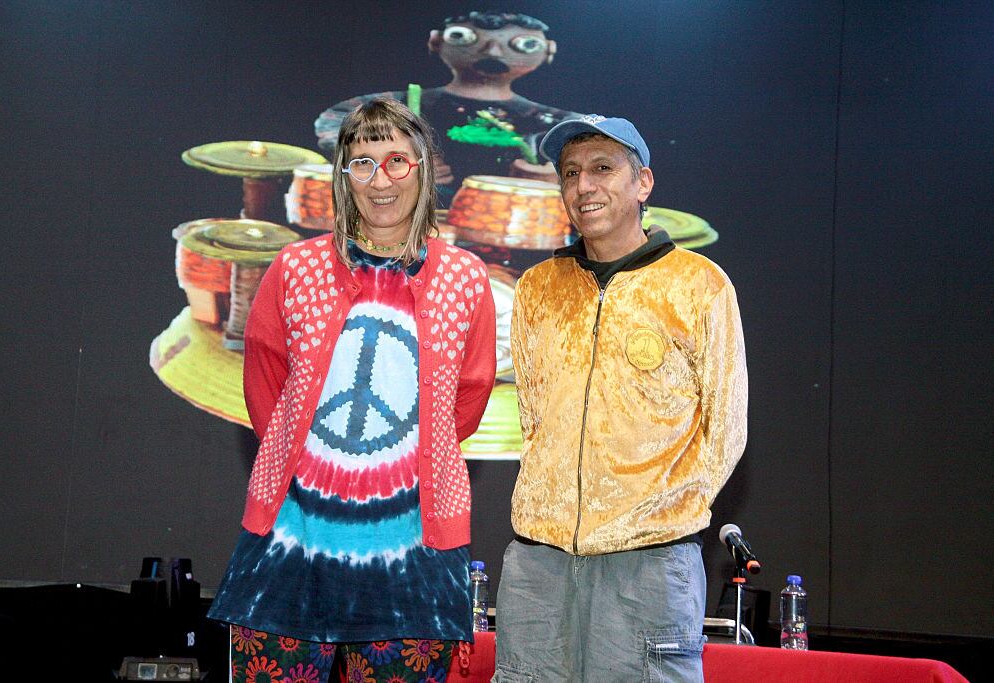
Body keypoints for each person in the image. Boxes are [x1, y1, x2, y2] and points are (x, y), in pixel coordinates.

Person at [208, 97, 497, 682]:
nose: (380, 179)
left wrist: (414, 454)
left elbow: (464, 402)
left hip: (417, 551)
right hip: (292, 540)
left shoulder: (466, 278)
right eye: (361, 163)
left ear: (424, 169)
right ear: (342, 177)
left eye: (396, 160)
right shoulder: (293, 268)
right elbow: (268, 395)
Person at [493, 115, 748, 682]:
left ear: (643, 182)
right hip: (540, 559)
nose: (584, 186)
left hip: (651, 560)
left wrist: (659, 514)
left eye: (603, 169)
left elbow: (725, 428)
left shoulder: (698, 283)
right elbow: (532, 415)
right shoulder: (537, 287)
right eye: (571, 173)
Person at [314, 11, 579, 203]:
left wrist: (563, 177)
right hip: (411, 225)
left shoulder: (553, 121)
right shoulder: (405, 104)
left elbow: (607, 152)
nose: (493, 51)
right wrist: (388, 160)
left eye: (524, 44)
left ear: (548, 50)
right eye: (464, 37)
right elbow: (335, 123)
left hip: (513, 229)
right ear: (436, 41)